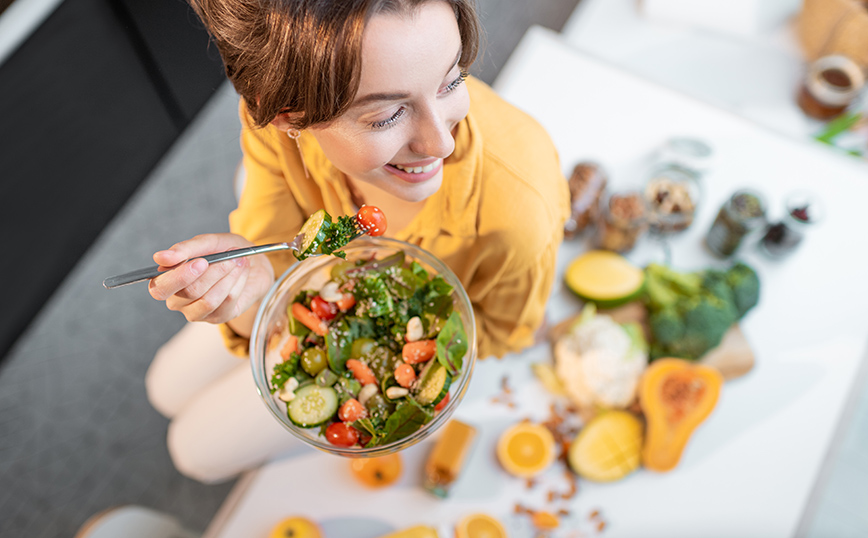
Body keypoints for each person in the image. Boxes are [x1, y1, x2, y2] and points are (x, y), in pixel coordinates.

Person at [145, 0, 570, 483]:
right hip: (309, 295)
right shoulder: (274, 123)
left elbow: (498, 332)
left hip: (403, 353)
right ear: (288, 117)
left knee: (193, 452)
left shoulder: (517, 214)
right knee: (164, 385)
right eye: (388, 114)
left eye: (453, 79)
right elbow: (273, 259)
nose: (441, 143)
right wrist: (250, 294)